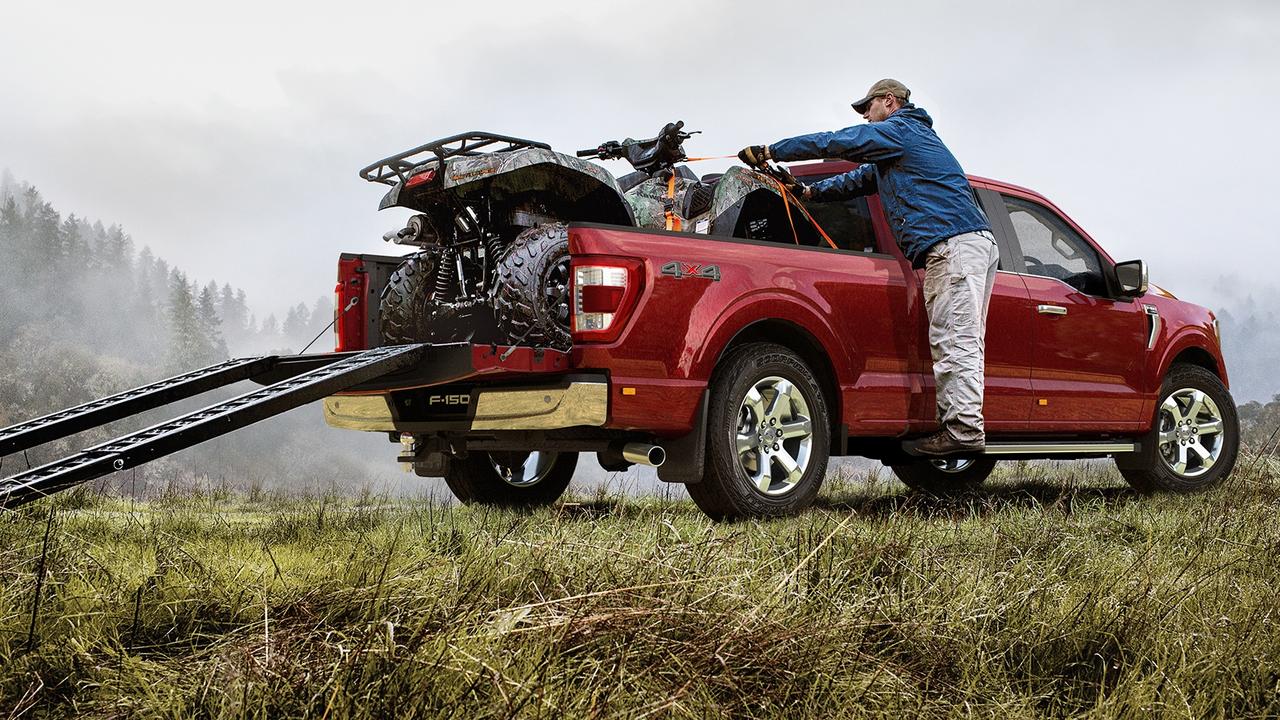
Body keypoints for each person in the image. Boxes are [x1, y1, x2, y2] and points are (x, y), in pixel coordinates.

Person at [739, 79, 998, 456]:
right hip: (965, 244)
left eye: (867, 108)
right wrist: (806, 192)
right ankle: (962, 425)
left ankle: (963, 432)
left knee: (955, 341)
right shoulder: (895, 154)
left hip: (953, 245)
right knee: (963, 339)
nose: (864, 115)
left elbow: (838, 142)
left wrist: (771, 150)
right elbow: (853, 181)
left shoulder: (901, 130)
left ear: (889, 102)